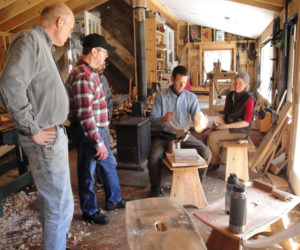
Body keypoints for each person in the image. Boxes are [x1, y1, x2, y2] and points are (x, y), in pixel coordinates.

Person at [0, 3, 74, 249]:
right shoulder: (29, 40)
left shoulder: (42, 44)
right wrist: (31, 128)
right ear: (59, 22)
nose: (70, 34)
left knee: (54, 203)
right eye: (71, 28)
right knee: (60, 206)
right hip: (45, 138)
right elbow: (10, 86)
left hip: (52, 135)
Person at [66, 33, 125, 225]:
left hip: (97, 129)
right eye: (105, 52)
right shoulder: (83, 76)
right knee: (86, 171)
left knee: (108, 164)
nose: (106, 56)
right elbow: (85, 115)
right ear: (94, 51)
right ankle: (89, 211)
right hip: (89, 132)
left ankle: (113, 200)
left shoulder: (90, 73)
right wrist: (98, 141)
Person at [149, 65, 212, 197]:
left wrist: (200, 121)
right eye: (179, 82)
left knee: (206, 153)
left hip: (183, 136)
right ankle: (155, 188)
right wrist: (163, 118)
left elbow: (196, 116)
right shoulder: (161, 96)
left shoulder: (191, 97)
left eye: (185, 82)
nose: (182, 85)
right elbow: (152, 120)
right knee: (154, 156)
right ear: (172, 79)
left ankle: (196, 185)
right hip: (164, 136)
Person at [207, 72, 256, 171]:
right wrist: (218, 122)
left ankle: (215, 162)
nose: (237, 85)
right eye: (235, 82)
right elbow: (225, 113)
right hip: (229, 125)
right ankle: (211, 158)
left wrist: (225, 127)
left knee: (212, 137)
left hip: (240, 131)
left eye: (240, 83)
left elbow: (246, 122)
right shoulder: (230, 95)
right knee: (206, 133)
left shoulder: (249, 99)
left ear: (246, 85)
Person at [95, 62, 113, 187]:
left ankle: (105, 179)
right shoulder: (88, 79)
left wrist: (109, 116)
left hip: (104, 122)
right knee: (97, 153)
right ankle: (100, 180)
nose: (104, 66)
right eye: (101, 64)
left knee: (106, 153)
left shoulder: (104, 79)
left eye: (105, 64)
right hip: (93, 123)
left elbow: (109, 99)